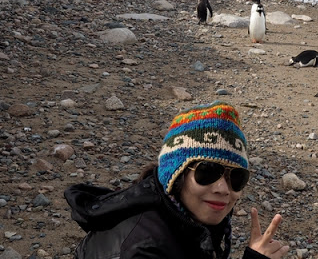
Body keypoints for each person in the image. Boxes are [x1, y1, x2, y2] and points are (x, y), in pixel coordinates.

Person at [64, 101, 290, 259]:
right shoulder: (145, 246)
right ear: (176, 176)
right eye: (207, 172)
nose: (223, 189)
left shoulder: (182, 216)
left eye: (236, 177)